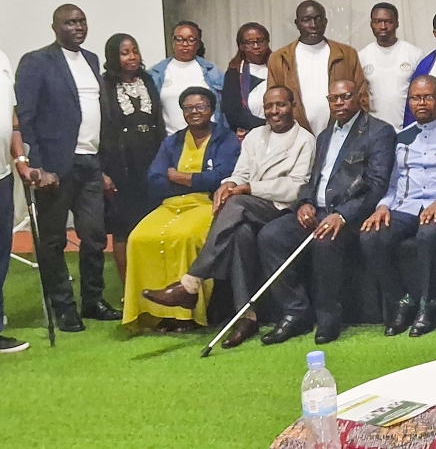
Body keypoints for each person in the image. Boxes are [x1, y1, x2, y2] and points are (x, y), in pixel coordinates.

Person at [140, 86, 315, 348]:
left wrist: (246, 188)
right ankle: (246, 316)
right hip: (250, 206)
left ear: (293, 106)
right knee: (239, 232)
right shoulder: (256, 136)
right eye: (269, 106)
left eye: (281, 105)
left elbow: (296, 187)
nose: (274, 111)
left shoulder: (304, 139)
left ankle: (191, 283)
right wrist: (228, 183)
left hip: (282, 208)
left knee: (236, 204)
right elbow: (240, 173)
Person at [258, 79, 394, 345]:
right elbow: (311, 180)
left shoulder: (379, 132)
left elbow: (377, 185)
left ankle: (328, 317)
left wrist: (342, 214)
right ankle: (295, 312)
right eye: (333, 99)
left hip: (350, 216)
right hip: (315, 211)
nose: (339, 103)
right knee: (271, 235)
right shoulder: (324, 136)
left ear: (358, 97)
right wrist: (305, 203)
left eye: (345, 97)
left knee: (325, 241)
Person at [15, 4, 120, 331]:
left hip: (90, 163)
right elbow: (26, 118)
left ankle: (93, 301)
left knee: (93, 236)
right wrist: (36, 165)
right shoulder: (36, 62)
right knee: (53, 240)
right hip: (55, 167)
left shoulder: (90, 60)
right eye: (70, 22)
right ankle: (63, 308)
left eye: (81, 21)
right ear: (55, 27)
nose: (77, 27)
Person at [361, 75, 436, 337]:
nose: (421, 103)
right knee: (370, 237)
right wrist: (383, 206)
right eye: (415, 98)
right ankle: (402, 300)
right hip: (405, 206)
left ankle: (428, 306)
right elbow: (394, 182)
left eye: (427, 97)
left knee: (428, 236)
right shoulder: (402, 136)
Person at [122, 87, 240, 330]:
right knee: (139, 238)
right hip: (170, 205)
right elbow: (154, 180)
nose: (194, 112)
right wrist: (193, 179)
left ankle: (187, 316)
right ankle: (156, 315)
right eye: (188, 108)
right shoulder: (172, 141)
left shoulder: (225, 139)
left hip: (207, 203)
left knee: (185, 237)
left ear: (211, 110)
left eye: (200, 107)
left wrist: (180, 177)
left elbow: (222, 177)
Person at [99, 33, 165, 281]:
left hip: (151, 159)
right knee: (122, 227)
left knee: (153, 221)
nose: (132, 57)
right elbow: (103, 128)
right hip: (121, 165)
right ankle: (128, 286)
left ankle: (153, 279)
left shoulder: (147, 80)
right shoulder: (104, 86)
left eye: (135, 51)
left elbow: (156, 120)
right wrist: (103, 171)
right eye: (125, 53)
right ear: (114, 57)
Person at [268, 0, 368, 136]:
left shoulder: (346, 54)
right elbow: (272, 103)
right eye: (306, 20)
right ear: (297, 24)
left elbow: (362, 97)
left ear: (325, 22)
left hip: (341, 135)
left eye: (318, 19)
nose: (313, 25)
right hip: (295, 138)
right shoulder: (279, 58)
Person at [0, 48, 29, 352]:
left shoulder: (3, 59)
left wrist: (20, 159)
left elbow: (11, 117)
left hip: (2, 175)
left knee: (1, 253)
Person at [149, 21, 225, 133]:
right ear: (173, 42)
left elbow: (224, 108)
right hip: (172, 141)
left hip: (210, 139)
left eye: (191, 39)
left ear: (198, 43)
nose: (185, 44)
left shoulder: (212, 71)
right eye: (179, 39)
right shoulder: (156, 73)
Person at [359, 2, 423, 130]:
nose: (383, 26)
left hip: (409, 129)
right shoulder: (362, 56)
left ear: (397, 23)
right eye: (378, 21)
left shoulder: (415, 54)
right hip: (373, 132)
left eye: (388, 21)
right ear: (371, 24)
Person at [221, 22, 272, 136]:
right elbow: (233, 112)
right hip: (247, 135)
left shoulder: (278, 67)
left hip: (279, 132)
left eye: (260, 41)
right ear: (241, 46)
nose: (256, 46)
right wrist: (266, 125)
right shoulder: (234, 73)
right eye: (250, 42)